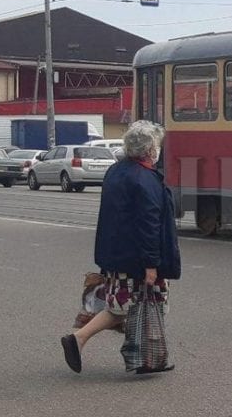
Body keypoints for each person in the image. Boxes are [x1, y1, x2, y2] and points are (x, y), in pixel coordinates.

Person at [60, 120, 181, 374]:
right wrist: (151, 264)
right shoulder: (143, 179)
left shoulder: (117, 171)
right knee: (131, 306)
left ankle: (145, 357)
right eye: (157, 145)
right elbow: (148, 225)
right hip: (136, 259)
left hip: (118, 254)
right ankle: (80, 339)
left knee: (132, 305)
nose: (158, 150)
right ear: (149, 150)